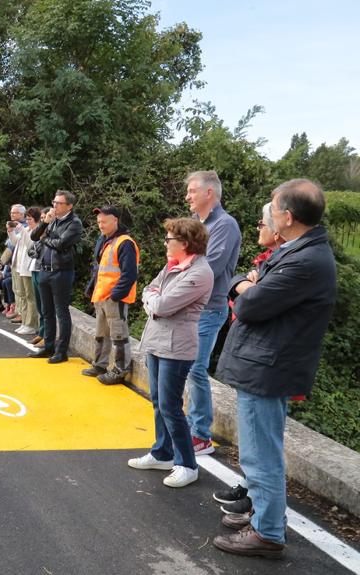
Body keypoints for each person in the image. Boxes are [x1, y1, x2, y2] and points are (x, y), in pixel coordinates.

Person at [212, 180, 336, 558]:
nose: (269, 213)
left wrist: (245, 288)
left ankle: (266, 532)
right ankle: (264, 518)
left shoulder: (304, 261)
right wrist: (244, 284)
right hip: (264, 364)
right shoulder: (300, 252)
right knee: (258, 449)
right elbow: (247, 286)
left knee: (260, 453)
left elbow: (250, 306)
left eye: (273, 207)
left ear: (288, 216)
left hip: (268, 368)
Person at [127, 218, 213, 489]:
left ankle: (187, 464)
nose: (165, 243)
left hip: (177, 347)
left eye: (169, 239)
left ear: (185, 243)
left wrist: (153, 302)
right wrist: (153, 301)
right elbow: (149, 289)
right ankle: (162, 453)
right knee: (158, 402)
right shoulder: (173, 265)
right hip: (156, 341)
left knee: (170, 406)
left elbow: (162, 304)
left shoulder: (200, 273)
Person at [184, 170, 242, 455]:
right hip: (190, 306)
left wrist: (184, 265)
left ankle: (201, 435)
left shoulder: (225, 225)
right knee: (187, 368)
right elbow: (179, 258)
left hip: (209, 308)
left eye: (193, 191)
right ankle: (191, 425)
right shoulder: (195, 223)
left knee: (196, 369)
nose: (188, 196)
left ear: (210, 193)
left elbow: (211, 266)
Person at [82, 206, 139, 385]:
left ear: (115, 220)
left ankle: (120, 370)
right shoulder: (105, 240)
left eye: (104, 221)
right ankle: (100, 364)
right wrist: (93, 289)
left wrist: (115, 295)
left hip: (115, 298)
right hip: (102, 296)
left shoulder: (125, 242)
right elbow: (99, 269)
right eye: (99, 222)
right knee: (101, 334)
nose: (100, 225)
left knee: (119, 335)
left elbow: (129, 274)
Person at [30, 190, 84, 363]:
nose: (55, 206)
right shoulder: (52, 221)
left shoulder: (74, 223)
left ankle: (61, 352)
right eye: (54, 202)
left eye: (59, 203)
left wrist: (46, 238)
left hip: (61, 271)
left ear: (69, 205)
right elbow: (34, 236)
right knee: (47, 312)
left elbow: (61, 244)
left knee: (61, 311)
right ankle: (48, 346)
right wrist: (45, 223)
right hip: (45, 270)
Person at [23, 207, 45, 344]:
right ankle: (41, 333)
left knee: (45, 306)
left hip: (44, 270)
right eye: (42, 219)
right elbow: (31, 250)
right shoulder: (38, 233)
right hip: (34, 268)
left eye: (45, 219)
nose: (43, 221)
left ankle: (45, 335)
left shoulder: (49, 233)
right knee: (39, 305)